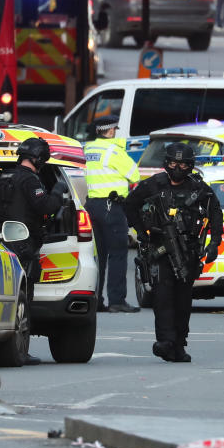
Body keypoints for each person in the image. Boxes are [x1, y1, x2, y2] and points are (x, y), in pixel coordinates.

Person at [126, 143, 223, 362]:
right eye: (173, 163)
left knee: (183, 300)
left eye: (182, 164)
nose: (177, 167)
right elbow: (130, 205)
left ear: (190, 166)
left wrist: (215, 243)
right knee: (162, 297)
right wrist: (142, 232)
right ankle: (166, 341)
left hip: (188, 252)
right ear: (166, 163)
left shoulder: (199, 189)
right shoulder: (153, 185)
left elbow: (216, 214)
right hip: (160, 249)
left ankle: (178, 344)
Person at [0, 136, 68, 365]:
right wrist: (57, 192)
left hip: (0, 244)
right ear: (39, 158)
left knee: (6, 297)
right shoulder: (30, 181)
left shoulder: (1, 179)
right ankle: (20, 351)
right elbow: (45, 207)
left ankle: (2, 348)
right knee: (23, 300)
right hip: (23, 245)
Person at [83, 115, 141, 312]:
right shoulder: (114, 151)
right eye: (115, 129)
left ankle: (96, 299)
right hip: (112, 207)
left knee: (97, 255)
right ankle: (116, 301)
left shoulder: (88, 149)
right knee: (117, 254)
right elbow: (135, 175)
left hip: (92, 206)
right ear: (110, 131)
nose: (116, 132)